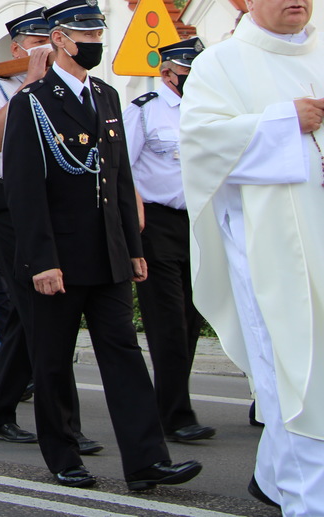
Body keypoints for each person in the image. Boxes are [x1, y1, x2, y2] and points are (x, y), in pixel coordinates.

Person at [3, 0, 201, 491]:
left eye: (97, 33)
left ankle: (147, 461)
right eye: (85, 34)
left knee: (125, 358)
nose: (94, 42)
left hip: (109, 254)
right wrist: (42, 261)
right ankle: (64, 455)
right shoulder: (32, 102)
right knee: (52, 361)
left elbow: (119, 178)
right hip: (59, 260)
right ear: (59, 40)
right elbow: (25, 190)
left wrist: (133, 248)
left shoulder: (108, 97)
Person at [179, 0, 324, 514]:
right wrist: (285, 120)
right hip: (268, 251)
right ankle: (308, 500)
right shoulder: (222, 64)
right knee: (295, 370)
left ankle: (271, 476)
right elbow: (199, 146)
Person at [0, 7, 87, 450]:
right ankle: (65, 428)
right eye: (37, 42)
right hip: (6, 198)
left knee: (32, 311)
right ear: (18, 48)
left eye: (51, 40)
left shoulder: (63, 87)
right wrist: (29, 85)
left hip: (51, 201)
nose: (47, 49)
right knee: (36, 307)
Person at [124, 37, 216, 445]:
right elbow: (119, 169)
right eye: (188, 74)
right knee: (168, 323)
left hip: (196, 222)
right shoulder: (144, 112)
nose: (193, 81)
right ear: (167, 73)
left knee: (192, 319)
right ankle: (174, 416)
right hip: (156, 223)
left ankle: (173, 404)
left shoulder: (206, 112)